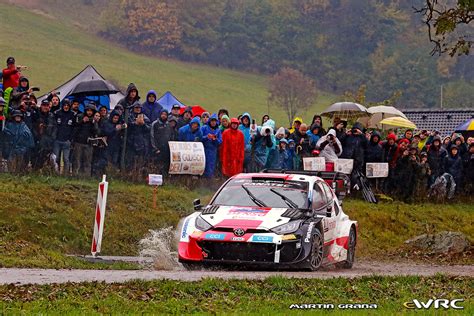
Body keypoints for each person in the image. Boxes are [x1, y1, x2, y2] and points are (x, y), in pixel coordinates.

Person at [72, 104, 99, 176]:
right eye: (88, 111)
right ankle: (75, 175)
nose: (89, 112)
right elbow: (75, 127)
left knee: (87, 161)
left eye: (91, 111)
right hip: (79, 142)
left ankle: (86, 176)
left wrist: (94, 123)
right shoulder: (80, 116)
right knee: (77, 160)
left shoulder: (94, 120)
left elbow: (96, 131)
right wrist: (82, 121)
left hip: (89, 143)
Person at [31, 99, 56, 171]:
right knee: (36, 157)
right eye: (44, 105)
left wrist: (52, 138)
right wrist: (37, 136)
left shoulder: (51, 115)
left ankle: (45, 171)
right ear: (41, 106)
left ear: (49, 107)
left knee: (47, 157)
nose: (45, 107)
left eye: (47, 105)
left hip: (48, 141)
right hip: (38, 140)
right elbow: (33, 127)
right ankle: (35, 171)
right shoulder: (36, 114)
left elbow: (55, 127)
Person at [53, 99, 75, 175]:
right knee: (56, 158)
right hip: (57, 139)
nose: (66, 107)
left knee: (66, 159)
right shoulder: (57, 113)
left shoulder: (72, 115)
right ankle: (56, 173)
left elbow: (74, 128)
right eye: (64, 105)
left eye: (67, 105)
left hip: (67, 141)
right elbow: (54, 125)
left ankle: (66, 174)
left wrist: (70, 139)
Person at [126, 102, 151, 169]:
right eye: (136, 108)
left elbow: (149, 129)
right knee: (130, 162)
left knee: (141, 162)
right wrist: (135, 124)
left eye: (139, 108)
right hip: (131, 142)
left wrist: (143, 124)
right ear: (133, 108)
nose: (138, 109)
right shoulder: (129, 116)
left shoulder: (145, 117)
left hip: (141, 143)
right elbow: (127, 127)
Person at [150, 109, 172, 174]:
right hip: (157, 149)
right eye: (162, 114)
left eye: (165, 114)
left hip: (166, 149)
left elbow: (170, 136)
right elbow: (152, 137)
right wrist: (155, 149)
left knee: (165, 166)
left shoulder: (168, 125)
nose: (163, 116)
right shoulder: (155, 124)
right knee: (156, 166)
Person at [201, 114, 222, 178]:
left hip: (213, 151)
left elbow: (220, 141)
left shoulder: (218, 130)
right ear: (209, 121)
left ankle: (209, 182)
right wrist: (206, 137)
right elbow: (199, 138)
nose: (213, 122)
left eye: (215, 121)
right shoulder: (204, 128)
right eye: (212, 121)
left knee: (211, 166)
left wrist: (214, 140)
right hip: (204, 150)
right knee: (203, 165)